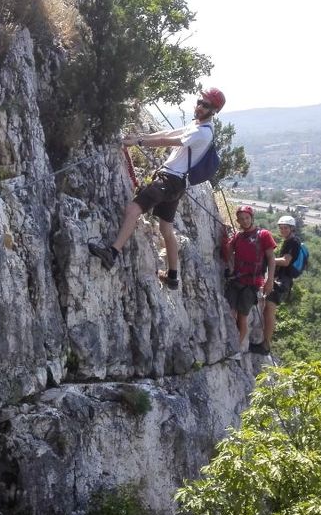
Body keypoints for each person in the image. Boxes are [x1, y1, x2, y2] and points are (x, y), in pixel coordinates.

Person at [88, 88, 226, 290]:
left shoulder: (202, 133)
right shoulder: (199, 126)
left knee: (133, 210)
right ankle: (172, 276)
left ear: (213, 110)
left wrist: (138, 142)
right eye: (199, 101)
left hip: (168, 181)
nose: (199, 106)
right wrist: (141, 136)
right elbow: (168, 133)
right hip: (176, 184)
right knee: (166, 229)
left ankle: (113, 253)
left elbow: (167, 141)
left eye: (205, 105)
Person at [223, 205, 276, 352]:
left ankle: (237, 348)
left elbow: (271, 258)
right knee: (230, 312)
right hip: (237, 280)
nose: (244, 221)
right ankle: (232, 342)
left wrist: (269, 279)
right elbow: (227, 251)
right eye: (241, 219)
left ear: (252, 218)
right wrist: (228, 242)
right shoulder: (238, 237)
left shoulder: (264, 235)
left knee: (242, 316)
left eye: (247, 218)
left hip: (252, 283)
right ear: (238, 221)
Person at [251, 215, 301, 355]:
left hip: (282, 281)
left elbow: (285, 261)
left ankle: (265, 345)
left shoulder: (293, 242)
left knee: (269, 311)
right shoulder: (288, 241)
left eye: (285, 228)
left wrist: (268, 258)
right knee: (267, 310)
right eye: (281, 228)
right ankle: (265, 343)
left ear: (292, 228)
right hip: (281, 280)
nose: (283, 230)